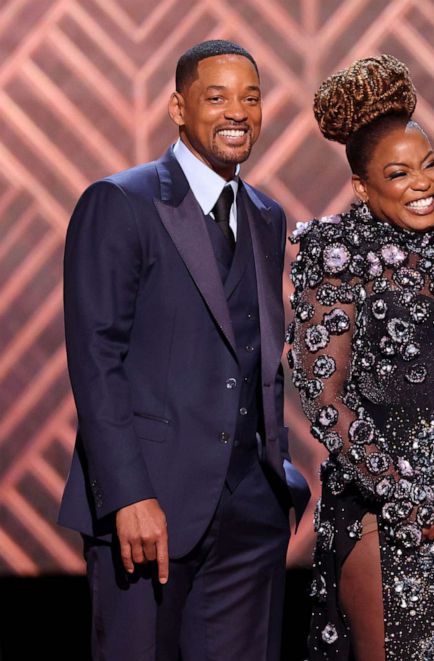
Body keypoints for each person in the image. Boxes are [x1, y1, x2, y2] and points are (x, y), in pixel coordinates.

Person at [58, 40, 310, 660]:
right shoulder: (121, 202)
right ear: (177, 107)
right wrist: (126, 494)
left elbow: (252, 353)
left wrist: (276, 478)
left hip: (250, 511)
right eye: (216, 96)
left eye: (250, 97)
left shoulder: (266, 215)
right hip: (151, 508)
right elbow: (96, 359)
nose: (238, 112)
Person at [288, 54, 434, 660]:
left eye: (429, 164)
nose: (422, 182)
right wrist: (400, 492)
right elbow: (323, 392)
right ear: (362, 187)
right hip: (387, 495)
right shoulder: (337, 250)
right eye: (398, 174)